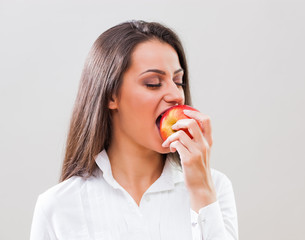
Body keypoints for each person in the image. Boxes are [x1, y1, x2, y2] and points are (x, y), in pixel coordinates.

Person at [30, 20, 238, 240]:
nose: (176, 95)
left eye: (178, 81)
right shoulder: (59, 206)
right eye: (153, 83)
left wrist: (201, 189)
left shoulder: (214, 187)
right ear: (112, 95)